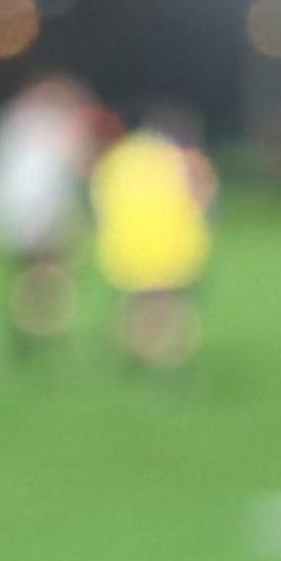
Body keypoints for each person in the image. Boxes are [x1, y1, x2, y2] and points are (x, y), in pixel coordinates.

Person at [0, 74, 93, 360]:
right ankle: (38, 334)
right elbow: (73, 169)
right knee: (47, 276)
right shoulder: (50, 127)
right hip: (36, 215)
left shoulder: (8, 122)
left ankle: (27, 334)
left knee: (36, 277)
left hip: (12, 216)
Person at [89, 103, 214, 373]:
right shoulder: (186, 159)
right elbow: (204, 200)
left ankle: (136, 354)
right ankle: (170, 360)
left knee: (137, 303)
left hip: (125, 246)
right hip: (173, 245)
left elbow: (99, 200)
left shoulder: (118, 157)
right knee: (170, 305)